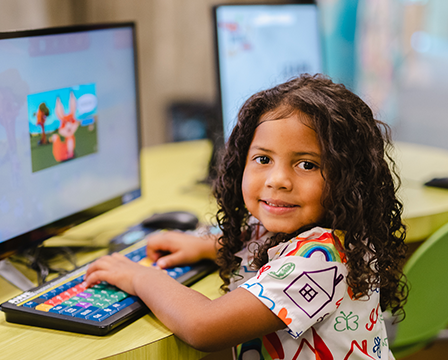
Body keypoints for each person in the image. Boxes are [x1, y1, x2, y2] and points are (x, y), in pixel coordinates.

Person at [83, 74, 408, 359]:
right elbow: (259, 243)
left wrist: (142, 278)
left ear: (349, 178)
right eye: (263, 159)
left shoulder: (321, 260)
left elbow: (204, 327)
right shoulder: (308, 228)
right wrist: (206, 246)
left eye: (307, 164)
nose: (277, 179)